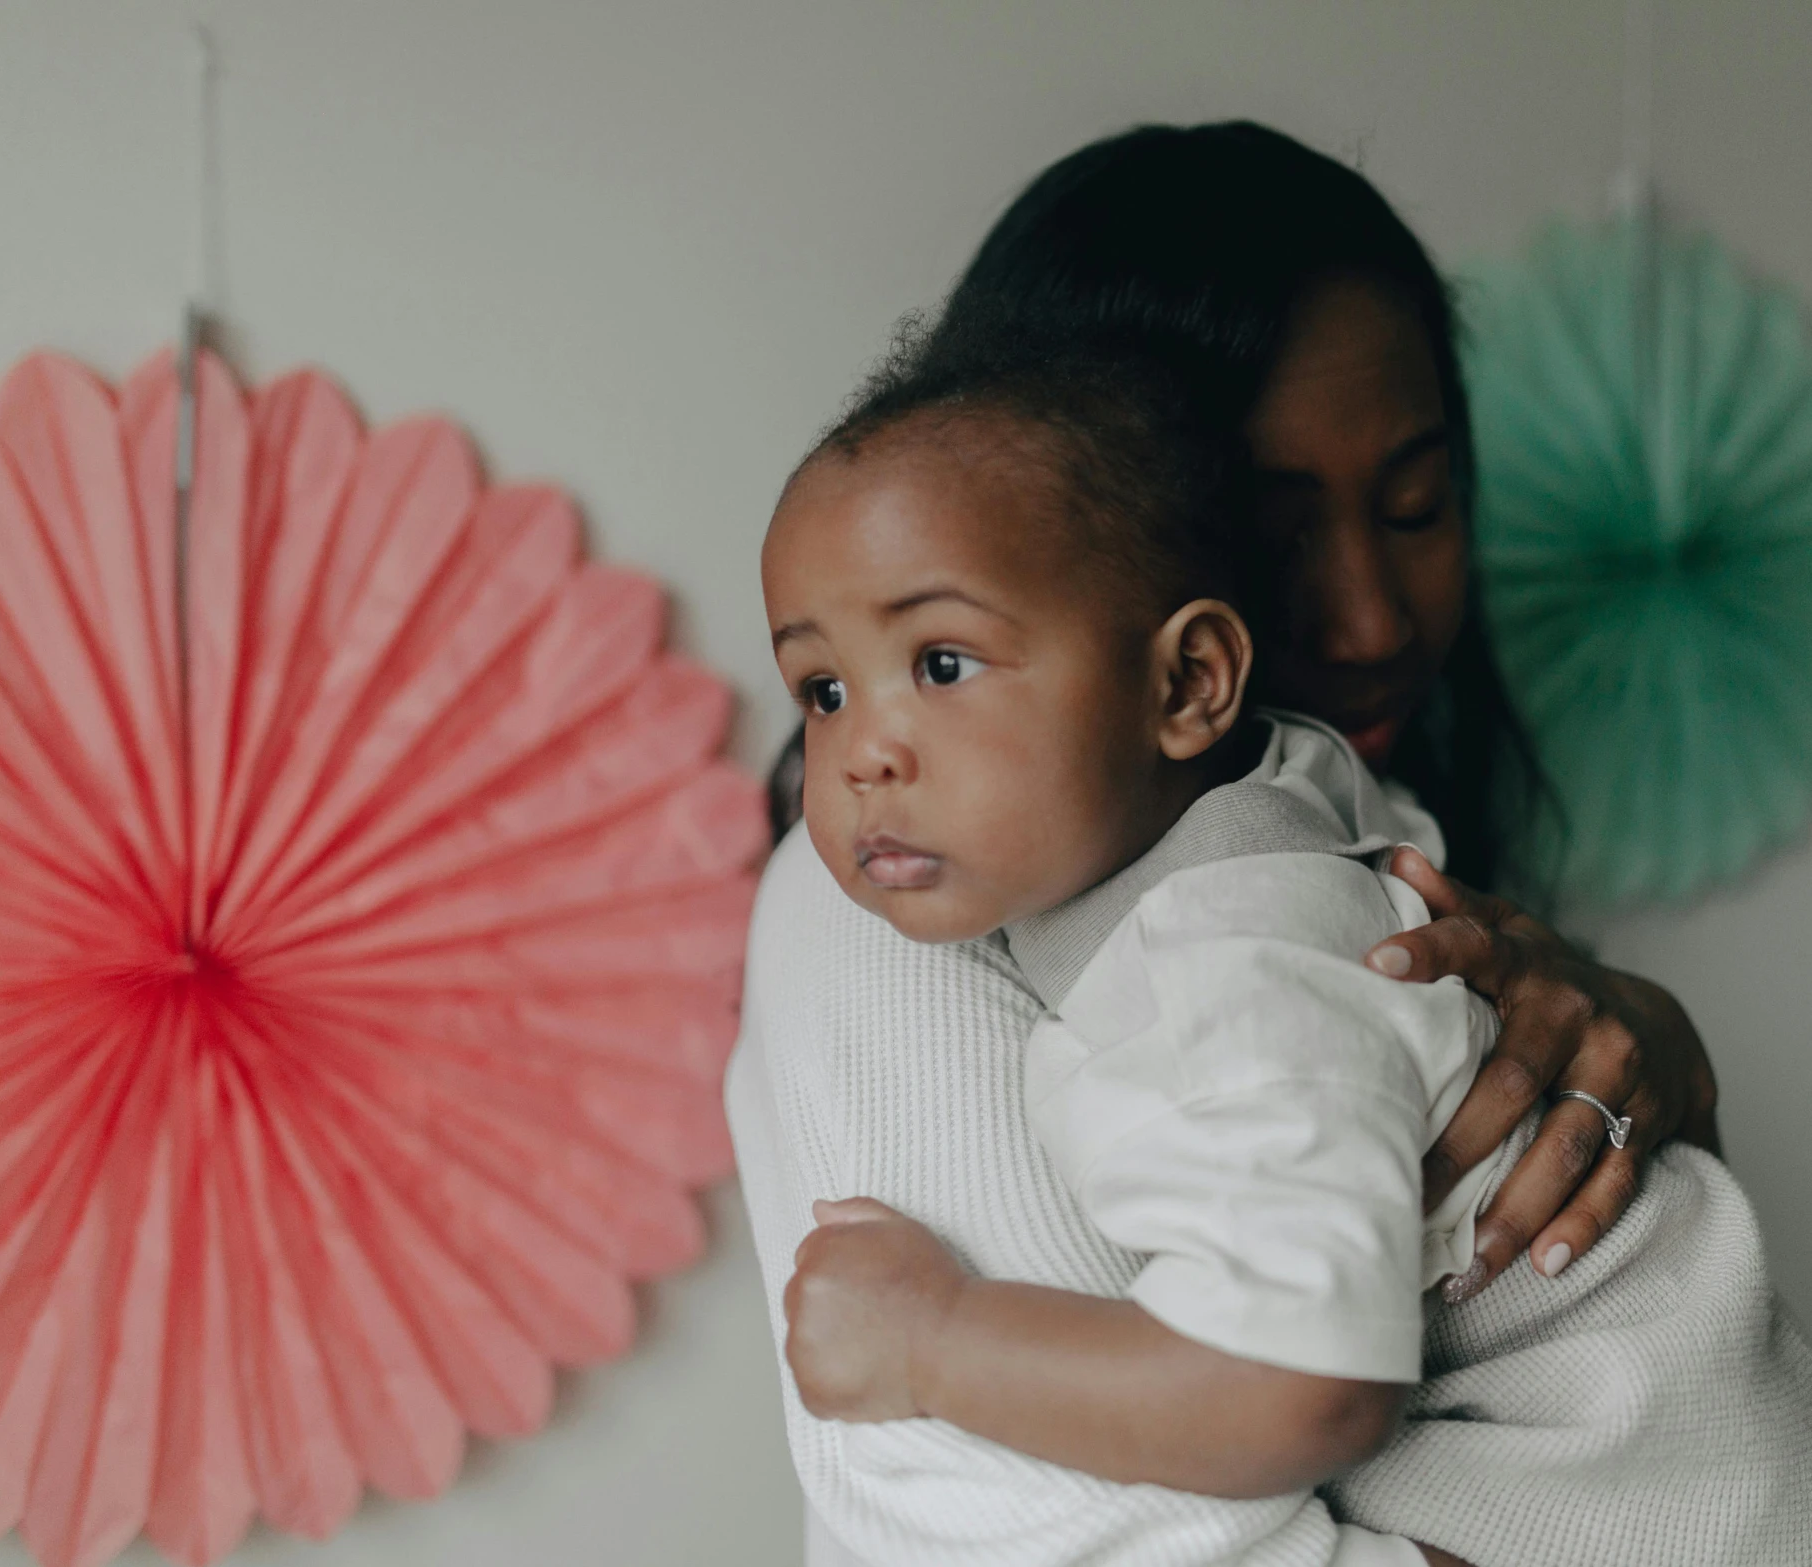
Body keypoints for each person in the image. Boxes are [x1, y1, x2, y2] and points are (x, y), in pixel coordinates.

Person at [726, 122, 1738, 1563]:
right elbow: (1041, 1535)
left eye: (1415, 504)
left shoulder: (1311, 851)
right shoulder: (897, 905)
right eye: (1271, 535)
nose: (1377, 619)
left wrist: (1657, 1058)